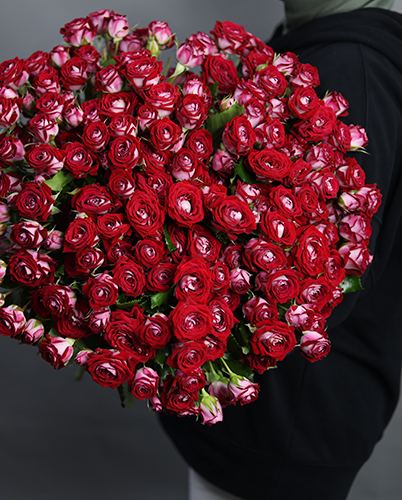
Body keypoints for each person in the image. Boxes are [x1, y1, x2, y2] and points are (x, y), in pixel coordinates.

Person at [160, 1, 402, 499]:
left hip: (282, 424)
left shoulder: (348, 64)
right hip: (292, 416)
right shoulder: (330, 39)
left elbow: (321, 285)